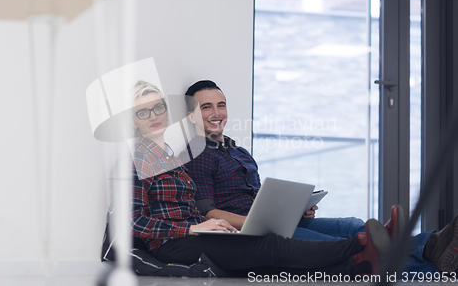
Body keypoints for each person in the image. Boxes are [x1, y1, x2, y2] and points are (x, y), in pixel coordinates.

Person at [179, 79, 458, 274]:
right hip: (254, 233)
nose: (217, 113)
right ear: (192, 116)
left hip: (275, 224)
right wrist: (255, 224)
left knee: (353, 225)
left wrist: (296, 210)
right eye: (206, 107)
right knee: (349, 247)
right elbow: (208, 212)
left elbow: (257, 198)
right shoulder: (196, 154)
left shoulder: (237, 151)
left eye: (221, 105)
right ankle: (434, 260)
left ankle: (431, 246)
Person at [130, 80, 391, 277]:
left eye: (158, 108)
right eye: (143, 112)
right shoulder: (139, 160)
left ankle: (361, 263)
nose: (153, 116)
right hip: (175, 244)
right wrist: (193, 227)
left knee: (274, 261)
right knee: (270, 247)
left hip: (198, 235)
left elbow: (189, 209)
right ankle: (359, 247)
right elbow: (134, 222)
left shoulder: (171, 159)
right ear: (133, 120)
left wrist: (212, 224)